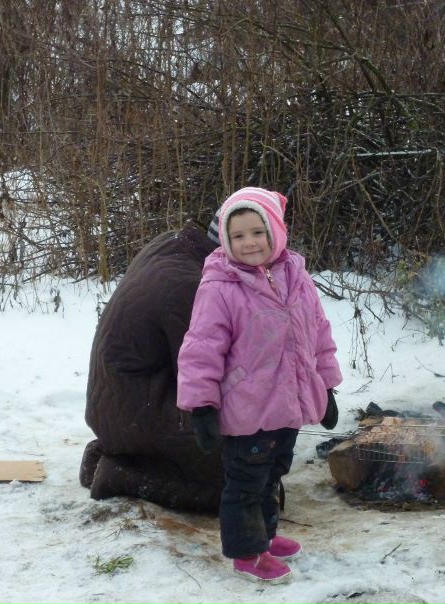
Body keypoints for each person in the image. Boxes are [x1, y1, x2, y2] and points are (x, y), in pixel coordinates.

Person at [176, 186, 342, 583]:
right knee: (246, 483)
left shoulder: (297, 279)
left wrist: (328, 387)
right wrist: (202, 405)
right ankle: (246, 553)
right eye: (238, 236)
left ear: (276, 234)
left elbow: (319, 334)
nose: (248, 243)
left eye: (257, 232)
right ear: (226, 241)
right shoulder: (220, 286)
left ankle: (264, 536)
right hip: (246, 409)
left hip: (288, 405)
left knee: (272, 476)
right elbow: (201, 348)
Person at [80, 212, 226, 512]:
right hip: (137, 411)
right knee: (246, 483)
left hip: (119, 408)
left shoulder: (174, 244)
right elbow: (208, 374)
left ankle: (119, 454)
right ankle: (121, 476)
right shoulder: (192, 285)